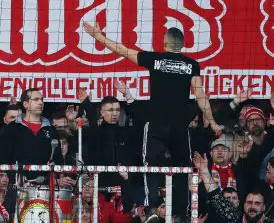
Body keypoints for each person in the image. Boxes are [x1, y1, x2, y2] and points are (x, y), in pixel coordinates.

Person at [83, 21, 217, 209]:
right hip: (179, 126)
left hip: (156, 125)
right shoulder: (192, 65)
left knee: (150, 167)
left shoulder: (155, 60)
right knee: (183, 168)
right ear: (182, 44)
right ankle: (181, 213)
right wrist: (212, 122)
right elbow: (201, 97)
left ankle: (149, 208)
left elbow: (123, 50)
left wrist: (99, 37)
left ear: (165, 43)